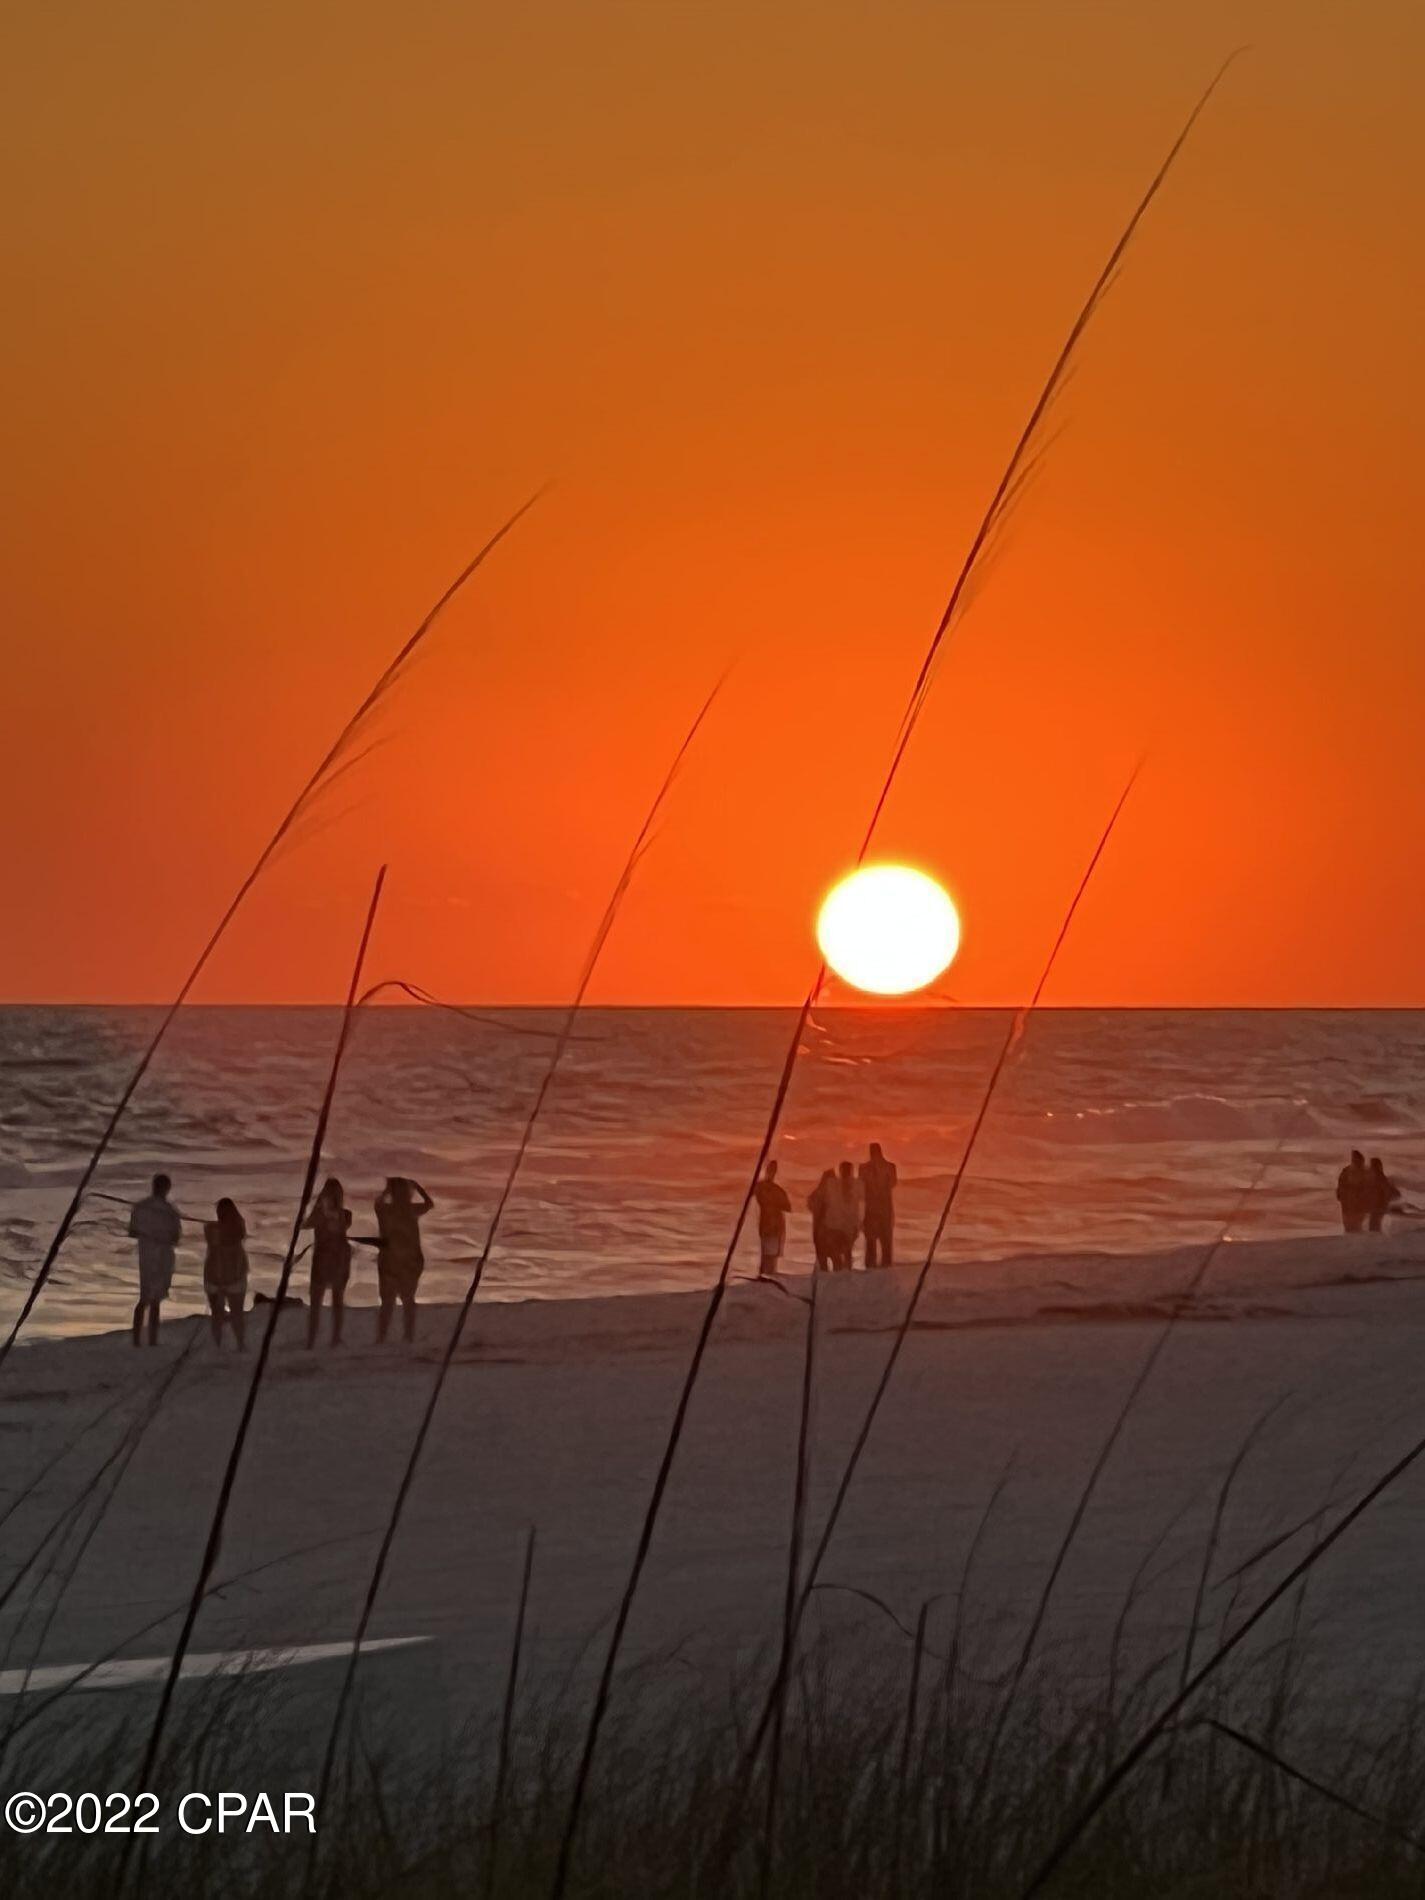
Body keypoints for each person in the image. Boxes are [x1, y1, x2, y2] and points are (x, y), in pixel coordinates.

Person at [374, 1176, 433, 1343]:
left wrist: (387, 1190)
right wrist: (418, 1187)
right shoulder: (406, 1209)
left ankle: (392, 1337)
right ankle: (400, 1336)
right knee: (400, 1301)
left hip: (403, 1261)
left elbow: (378, 1203)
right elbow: (429, 1203)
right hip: (398, 1261)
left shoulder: (391, 1209)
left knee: (394, 1301)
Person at [128, 1173, 181, 1347]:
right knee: (153, 1299)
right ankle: (151, 1340)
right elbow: (175, 1237)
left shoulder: (141, 1207)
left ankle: (140, 1340)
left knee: (146, 1298)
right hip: (160, 1257)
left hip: (149, 1256)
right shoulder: (171, 1211)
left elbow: (132, 1231)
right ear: (166, 1189)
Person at [305, 1176, 353, 1347]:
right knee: (317, 1301)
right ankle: (313, 1339)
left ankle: (334, 1337)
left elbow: (338, 1226)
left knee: (335, 1299)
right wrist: (317, 1208)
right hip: (324, 1259)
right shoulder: (320, 1214)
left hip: (336, 1260)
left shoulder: (344, 1215)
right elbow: (305, 1225)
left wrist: (322, 1211)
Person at [202, 1198, 248, 1349]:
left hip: (223, 1278)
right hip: (224, 1278)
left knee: (222, 1314)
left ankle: (223, 1345)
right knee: (235, 1314)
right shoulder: (235, 1228)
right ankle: (236, 1344)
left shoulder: (212, 1229)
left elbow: (214, 1236)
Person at [859, 1142, 898, 1269]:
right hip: (878, 1208)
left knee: (880, 1240)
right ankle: (879, 1267)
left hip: (877, 1208)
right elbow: (892, 1184)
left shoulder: (865, 1168)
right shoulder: (889, 1167)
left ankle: (876, 1267)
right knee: (879, 1240)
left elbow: (892, 1183)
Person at [753, 1160, 792, 1278]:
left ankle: (766, 1274)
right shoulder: (775, 1190)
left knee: (768, 1252)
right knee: (769, 1253)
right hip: (772, 1224)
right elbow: (787, 1207)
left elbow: (787, 1207)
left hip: (769, 1223)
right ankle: (767, 1274)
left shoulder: (762, 1187)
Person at [824, 1160, 862, 1272]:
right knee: (846, 1250)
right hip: (847, 1225)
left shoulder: (832, 1184)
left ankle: (841, 1271)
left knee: (839, 1251)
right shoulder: (857, 1184)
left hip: (837, 1225)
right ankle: (845, 1271)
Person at [807, 1169, 837, 1272]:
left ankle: (826, 1277)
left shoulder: (817, 1193)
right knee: (835, 1259)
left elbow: (810, 1205)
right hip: (830, 1231)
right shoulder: (835, 1194)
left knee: (823, 1259)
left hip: (820, 1231)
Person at [1336, 1150, 1369, 1233]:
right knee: (1350, 1223)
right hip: (1350, 1201)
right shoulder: (1348, 1171)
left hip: (1355, 1202)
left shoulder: (1363, 1171)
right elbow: (1341, 1186)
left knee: (1355, 1222)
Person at [1366, 1156, 1400, 1234]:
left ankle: (1377, 1239)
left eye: (1372, 1165)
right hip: (1377, 1206)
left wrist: (1385, 1202)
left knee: (1374, 1226)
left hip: (1379, 1206)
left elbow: (1387, 1191)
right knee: (1374, 1226)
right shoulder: (1377, 1178)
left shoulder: (1380, 1178)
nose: (1370, 1167)